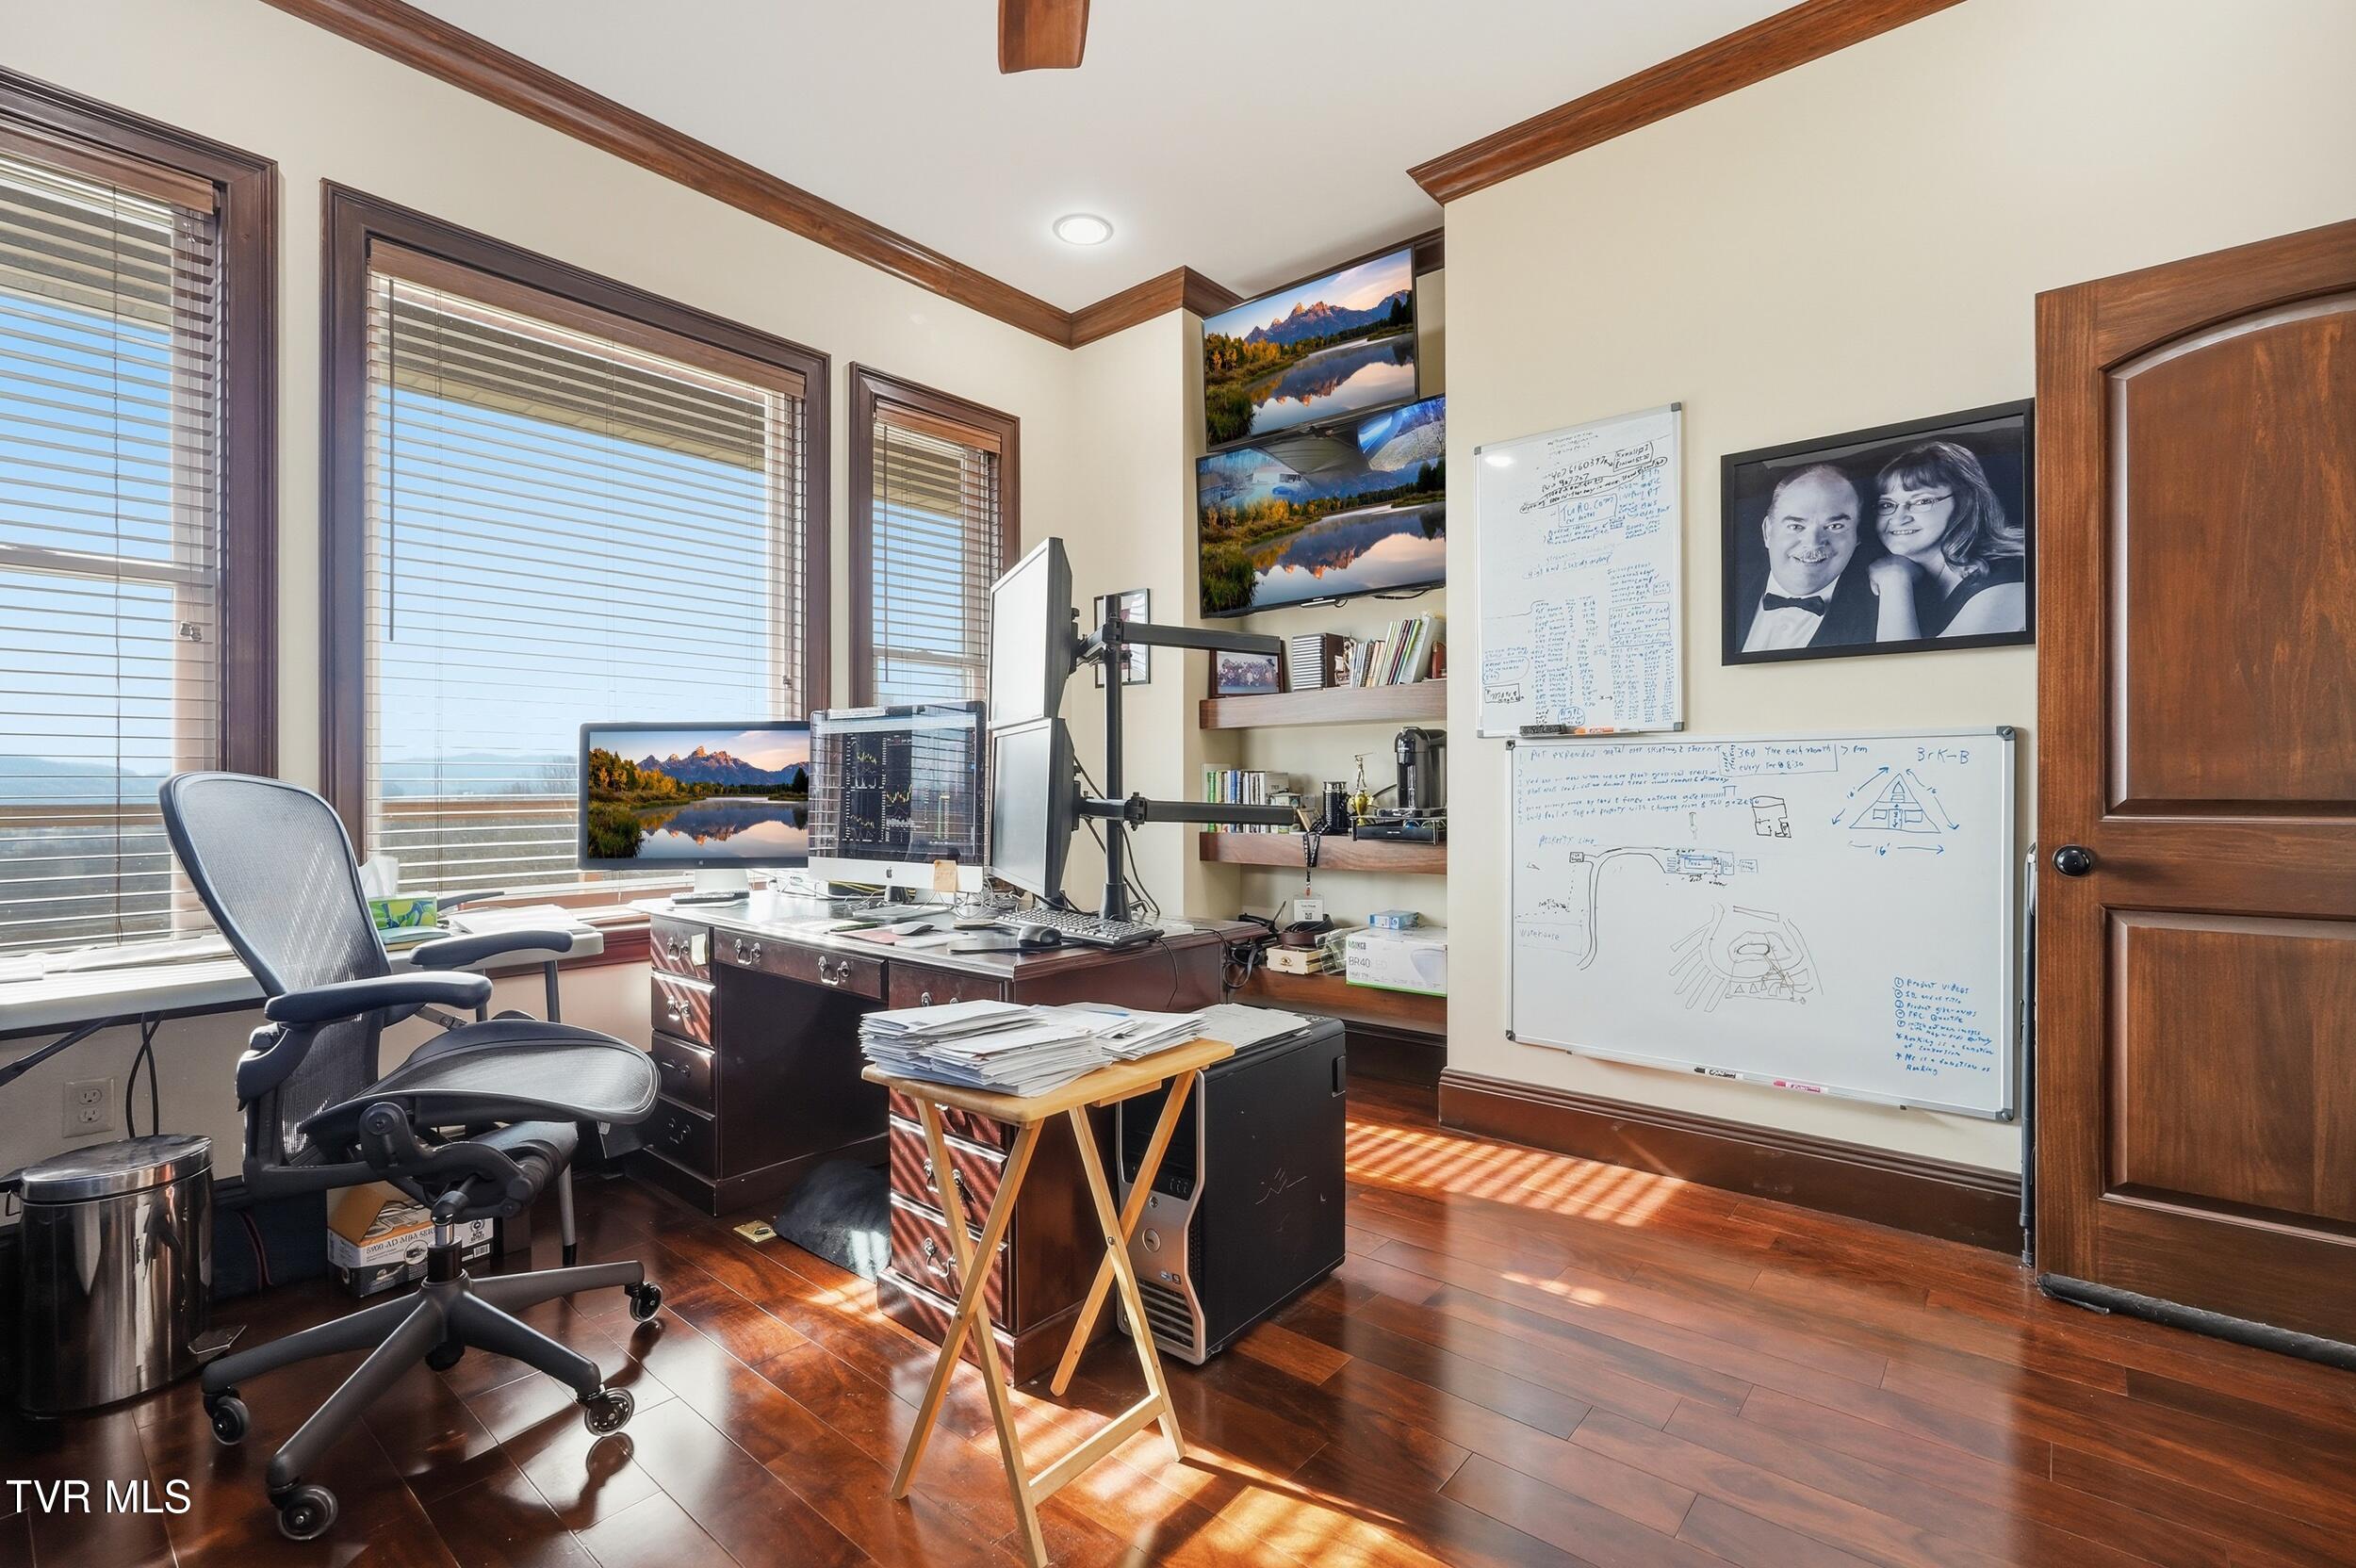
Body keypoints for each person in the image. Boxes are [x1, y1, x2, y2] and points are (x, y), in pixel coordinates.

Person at [1865, 440, 2027, 641]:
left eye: (1922, 501)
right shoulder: (1919, 579)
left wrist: (1894, 579)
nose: (1898, 518)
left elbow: (1907, 662)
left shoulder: (2009, 578)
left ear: (1965, 502)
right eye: (1887, 504)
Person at [1737, 464, 1877, 653]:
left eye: (1835, 526)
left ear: (1857, 536)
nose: (1813, 544)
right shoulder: (1724, 591)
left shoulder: (1883, 610)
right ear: (1767, 532)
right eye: (1796, 526)